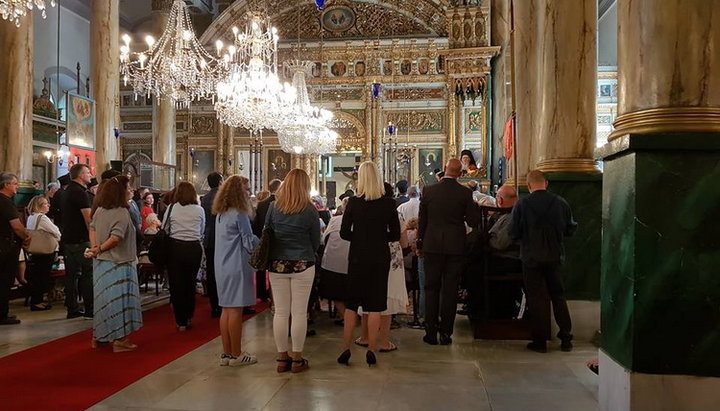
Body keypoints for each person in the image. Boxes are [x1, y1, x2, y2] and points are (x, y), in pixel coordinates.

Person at [338, 162, 401, 367]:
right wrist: (377, 236)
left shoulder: (353, 203)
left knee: (351, 305)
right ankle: (372, 349)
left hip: (357, 258)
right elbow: (394, 234)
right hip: (379, 258)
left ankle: (346, 348)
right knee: (375, 306)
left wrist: (361, 237)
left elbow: (344, 233)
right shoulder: (389, 204)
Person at [511, 170, 577, 353]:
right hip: (555, 256)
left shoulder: (522, 204)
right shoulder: (560, 203)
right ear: (546, 183)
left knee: (536, 298)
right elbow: (570, 228)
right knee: (558, 296)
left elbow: (513, 232)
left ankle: (539, 341)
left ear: (528, 185)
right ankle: (565, 338)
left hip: (531, 257)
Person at [418, 158, 479, 345]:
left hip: (432, 245)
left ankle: (430, 332)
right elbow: (473, 222)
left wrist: (420, 243)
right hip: (455, 246)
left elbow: (423, 221)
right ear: (461, 173)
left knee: (431, 288)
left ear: (445, 169)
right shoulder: (465, 193)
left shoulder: (429, 191)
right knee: (450, 290)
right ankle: (446, 333)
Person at [265, 170, 320, 373]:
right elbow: (316, 240)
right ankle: (297, 358)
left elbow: (267, 232)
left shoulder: (273, 207)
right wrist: (307, 252)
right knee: (299, 313)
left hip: (277, 263)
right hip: (303, 263)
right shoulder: (309, 210)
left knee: (280, 311)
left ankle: (281, 358)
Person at [87, 175, 143, 352]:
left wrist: (95, 247)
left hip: (101, 263)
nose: (131, 191)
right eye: (129, 188)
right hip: (119, 263)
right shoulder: (121, 212)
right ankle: (120, 339)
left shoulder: (100, 210)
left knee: (103, 301)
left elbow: (92, 228)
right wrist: (100, 248)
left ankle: (99, 337)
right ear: (121, 192)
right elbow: (116, 238)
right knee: (120, 301)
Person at [355, 183, 408, 352]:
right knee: (388, 299)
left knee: (367, 295)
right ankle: (384, 342)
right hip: (392, 260)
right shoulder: (396, 213)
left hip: (370, 256)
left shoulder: (367, 210)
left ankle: (364, 337)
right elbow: (404, 242)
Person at [212, 175, 259, 366]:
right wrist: (262, 241)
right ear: (238, 191)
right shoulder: (239, 213)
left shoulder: (222, 214)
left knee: (226, 310)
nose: (248, 192)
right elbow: (248, 242)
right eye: (246, 189)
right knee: (236, 311)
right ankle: (238, 353)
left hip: (222, 265)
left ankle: (227, 353)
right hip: (236, 266)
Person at [163, 182, 205, 331]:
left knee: (176, 284)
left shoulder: (172, 208)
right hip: (193, 248)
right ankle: (188, 316)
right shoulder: (199, 210)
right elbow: (201, 231)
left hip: (176, 248)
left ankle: (180, 321)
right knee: (190, 282)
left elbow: (165, 229)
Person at [60, 164, 94, 319]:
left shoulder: (67, 191)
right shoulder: (81, 193)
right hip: (81, 240)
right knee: (88, 274)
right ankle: (90, 309)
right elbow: (88, 220)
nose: (90, 174)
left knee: (71, 276)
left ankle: (72, 309)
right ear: (80, 175)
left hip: (68, 239)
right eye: (88, 172)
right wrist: (94, 240)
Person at [0, 173, 31, 325]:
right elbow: (16, 226)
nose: (17, 186)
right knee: (4, 280)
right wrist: (26, 237)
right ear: (6, 185)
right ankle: (2, 314)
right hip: (6, 246)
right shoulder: (6, 202)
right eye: (14, 183)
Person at [318, 197, 350, 326]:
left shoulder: (335, 220)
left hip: (333, 263)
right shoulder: (361, 221)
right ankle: (351, 315)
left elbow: (324, 239)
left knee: (335, 293)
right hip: (352, 262)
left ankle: (345, 316)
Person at [25, 196, 61, 311]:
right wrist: (58, 237)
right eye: (46, 204)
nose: (48, 205)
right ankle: (37, 302)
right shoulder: (42, 218)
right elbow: (56, 231)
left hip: (35, 250)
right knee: (42, 276)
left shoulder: (31, 217)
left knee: (36, 276)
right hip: (44, 250)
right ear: (39, 206)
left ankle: (36, 300)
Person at [252, 178, 281, 303]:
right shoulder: (281, 202)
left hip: (263, 237)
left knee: (261, 266)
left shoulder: (262, 204)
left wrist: (259, 238)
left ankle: (261, 292)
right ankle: (273, 293)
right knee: (274, 268)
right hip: (277, 239)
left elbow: (257, 223)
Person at [201, 172, 223, 318]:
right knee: (221, 271)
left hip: (209, 237)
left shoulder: (205, 198)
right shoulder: (222, 196)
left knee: (211, 271)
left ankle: (214, 305)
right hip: (221, 237)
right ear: (221, 182)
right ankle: (222, 302)